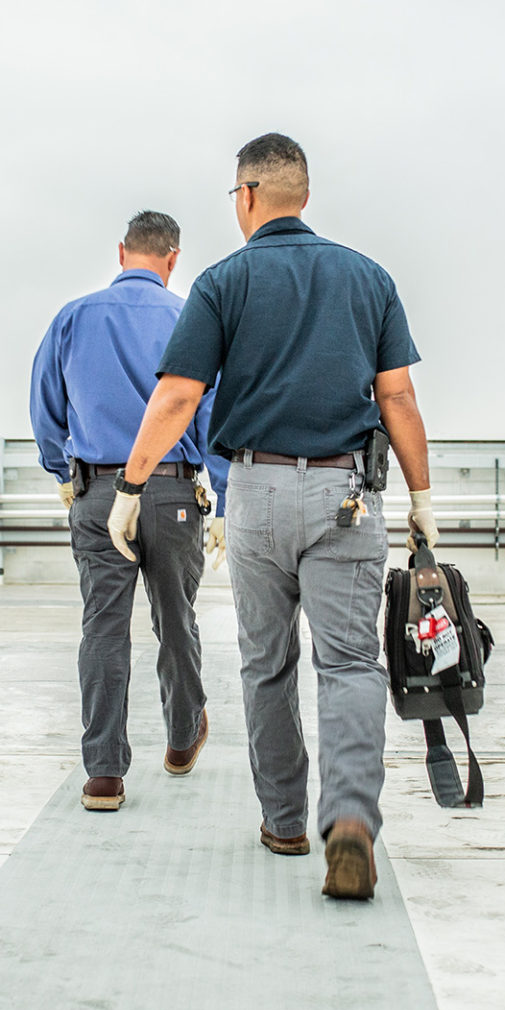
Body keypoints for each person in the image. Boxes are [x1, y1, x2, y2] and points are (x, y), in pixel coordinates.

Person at [106, 134, 437, 900]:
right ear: (304, 196)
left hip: (254, 496)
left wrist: (131, 486)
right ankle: (350, 820)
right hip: (346, 497)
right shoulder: (368, 278)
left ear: (247, 196)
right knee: (350, 663)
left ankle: (284, 821)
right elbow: (399, 398)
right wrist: (421, 498)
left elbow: (180, 396)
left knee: (267, 664)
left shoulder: (225, 283)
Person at [30, 210, 228, 813]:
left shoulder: (73, 317)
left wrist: (62, 471)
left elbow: (46, 405)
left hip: (96, 494)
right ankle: (179, 737)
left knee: (103, 626)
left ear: (122, 252)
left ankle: (104, 776)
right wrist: (220, 492)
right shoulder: (190, 318)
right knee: (175, 618)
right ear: (173, 259)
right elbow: (214, 413)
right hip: (171, 492)